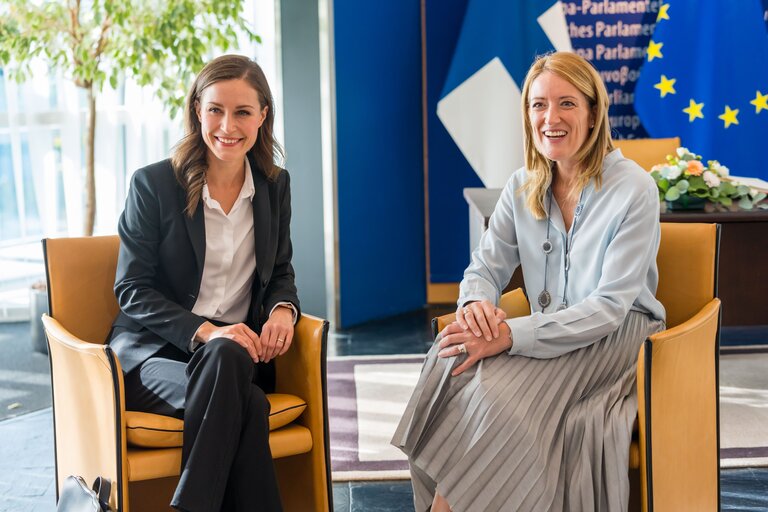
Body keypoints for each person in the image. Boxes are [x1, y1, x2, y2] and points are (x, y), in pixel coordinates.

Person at [392, 51, 666, 512]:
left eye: (566, 104)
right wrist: (477, 306)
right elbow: (483, 269)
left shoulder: (635, 189)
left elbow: (609, 309)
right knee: (449, 361)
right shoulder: (522, 186)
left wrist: (506, 336)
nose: (550, 118)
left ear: (594, 112)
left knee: (497, 397)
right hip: (547, 329)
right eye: (538, 105)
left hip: (617, 337)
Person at [108, 54, 299, 512]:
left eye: (243, 112)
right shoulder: (154, 184)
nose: (227, 125)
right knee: (247, 402)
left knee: (236, 372)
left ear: (263, 116)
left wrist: (282, 310)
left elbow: (281, 272)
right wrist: (208, 332)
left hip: (232, 360)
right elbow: (131, 288)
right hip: (153, 359)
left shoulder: (274, 186)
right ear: (197, 110)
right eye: (215, 109)